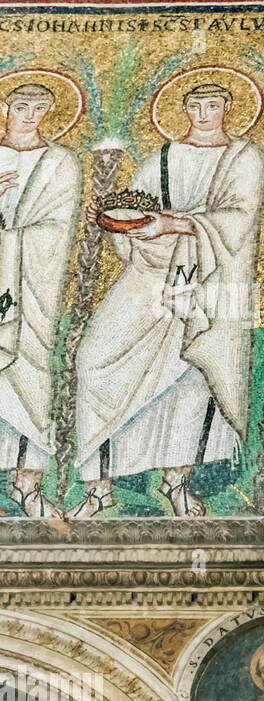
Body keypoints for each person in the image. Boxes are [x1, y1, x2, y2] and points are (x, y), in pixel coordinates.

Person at [72, 82, 264, 518]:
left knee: (194, 375)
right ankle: (99, 487)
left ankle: (176, 481)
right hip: (150, 274)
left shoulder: (244, 157)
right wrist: (111, 220)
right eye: (195, 105)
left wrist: (172, 223)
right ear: (184, 109)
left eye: (213, 104)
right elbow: (135, 214)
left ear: (228, 107)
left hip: (213, 279)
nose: (204, 113)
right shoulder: (160, 158)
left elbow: (239, 220)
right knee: (94, 360)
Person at [0, 83, 81, 517]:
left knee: (32, 377)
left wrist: (10, 241)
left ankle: (27, 485)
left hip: (33, 287)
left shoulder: (60, 162)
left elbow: (58, 229)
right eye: (21, 106)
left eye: (39, 108)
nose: (30, 115)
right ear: (6, 107)